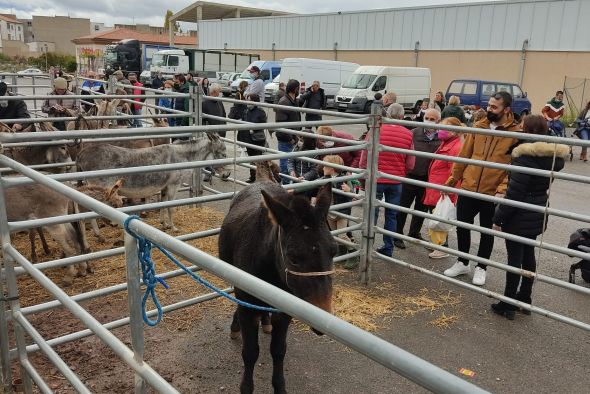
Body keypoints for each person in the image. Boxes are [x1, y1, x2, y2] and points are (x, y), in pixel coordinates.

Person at [491, 115, 569, 320]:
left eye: (522, 127)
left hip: (520, 213)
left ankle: (507, 303)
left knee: (514, 259)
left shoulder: (524, 156)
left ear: (527, 130)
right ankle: (525, 298)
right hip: (538, 209)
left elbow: (515, 193)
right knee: (528, 254)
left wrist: (498, 217)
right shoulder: (551, 156)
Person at [443, 91, 521, 286]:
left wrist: (502, 188)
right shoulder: (478, 126)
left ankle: (482, 267)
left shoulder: (515, 134)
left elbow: (512, 165)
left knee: (487, 231)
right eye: (489, 106)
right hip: (469, 187)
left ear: (507, 109)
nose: (489, 109)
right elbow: (464, 156)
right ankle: (462, 261)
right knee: (463, 225)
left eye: (495, 107)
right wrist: (453, 180)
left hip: (491, 191)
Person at [360, 103, 415, 257]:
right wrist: (401, 171)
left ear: (387, 114)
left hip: (376, 177)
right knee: (392, 215)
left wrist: (362, 176)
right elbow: (411, 163)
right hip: (395, 180)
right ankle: (388, 248)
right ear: (402, 116)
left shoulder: (375, 130)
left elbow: (365, 156)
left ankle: (367, 248)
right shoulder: (408, 134)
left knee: (372, 212)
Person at [395, 108, 442, 249]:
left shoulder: (441, 137)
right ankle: (398, 235)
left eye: (432, 119)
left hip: (427, 179)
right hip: (410, 177)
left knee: (421, 208)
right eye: (427, 117)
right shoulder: (414, 133)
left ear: (438, 121)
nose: (428, 121)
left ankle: (414, 232)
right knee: (403, 207)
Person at [423, 117, 464, 259]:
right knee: (435, 216)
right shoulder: (446, 143)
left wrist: (449, 189)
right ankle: (436, 243)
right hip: (436, 187)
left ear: (453, 131)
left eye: (443, 128)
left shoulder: (456, 147)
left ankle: (442, 247)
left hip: (443, 189)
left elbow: (455, 172)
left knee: (441, 218)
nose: (440, 130)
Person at [320, 154, 358, 270]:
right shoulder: (325, 178)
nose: (322, 168)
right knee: (335, 234)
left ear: (332, 168)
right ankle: (341, 252)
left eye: (325, 166)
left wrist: (349, 190)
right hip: (330, 211)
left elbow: (353, 195)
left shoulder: (344, 179)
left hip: (341, 211)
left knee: (342, 235)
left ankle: (354, 253)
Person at [275, 79, 301, 183]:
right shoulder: (284, 102)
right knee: (285, 166)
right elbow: (280, 124)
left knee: (292, 165)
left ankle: (289, 187)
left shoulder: (294, 101)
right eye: (298, 88)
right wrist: (289, 138)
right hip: (286, 140)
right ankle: (285, 188)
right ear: (295, 89)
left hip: (293, 138)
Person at [238, 94, 267, 183]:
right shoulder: (246, 111)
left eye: (250, 100)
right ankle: (252, 177)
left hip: (257, 140)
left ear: (255, 101)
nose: (248, 102)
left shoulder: (260, 112)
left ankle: (259, 178)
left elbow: (263, 124)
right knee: (251, 159)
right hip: (248, 139)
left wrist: (254, 129)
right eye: (247, 100)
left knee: (258, 160)